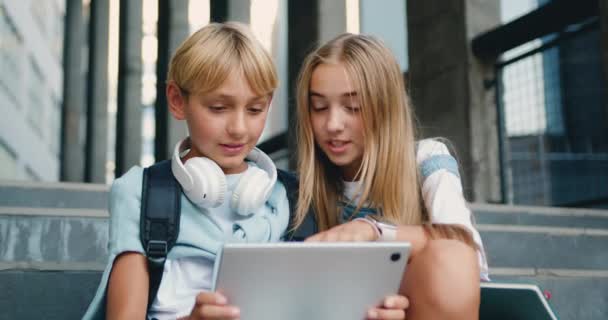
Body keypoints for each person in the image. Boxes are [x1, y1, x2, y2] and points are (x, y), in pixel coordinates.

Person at [83, 23, 408, 320]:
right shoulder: (143, 193)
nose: (239, 129)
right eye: (219, 108)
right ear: (177, 100)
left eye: (255, 109)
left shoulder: (296, 198)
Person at [292, 33, 489, 320]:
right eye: (319, 107)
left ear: (385, 107)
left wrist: (373, 231)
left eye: (353, 107)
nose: (333, 124)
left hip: (417, 307)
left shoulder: (426, 158)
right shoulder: (301, 188)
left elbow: (468, 254)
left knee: (451, 257)